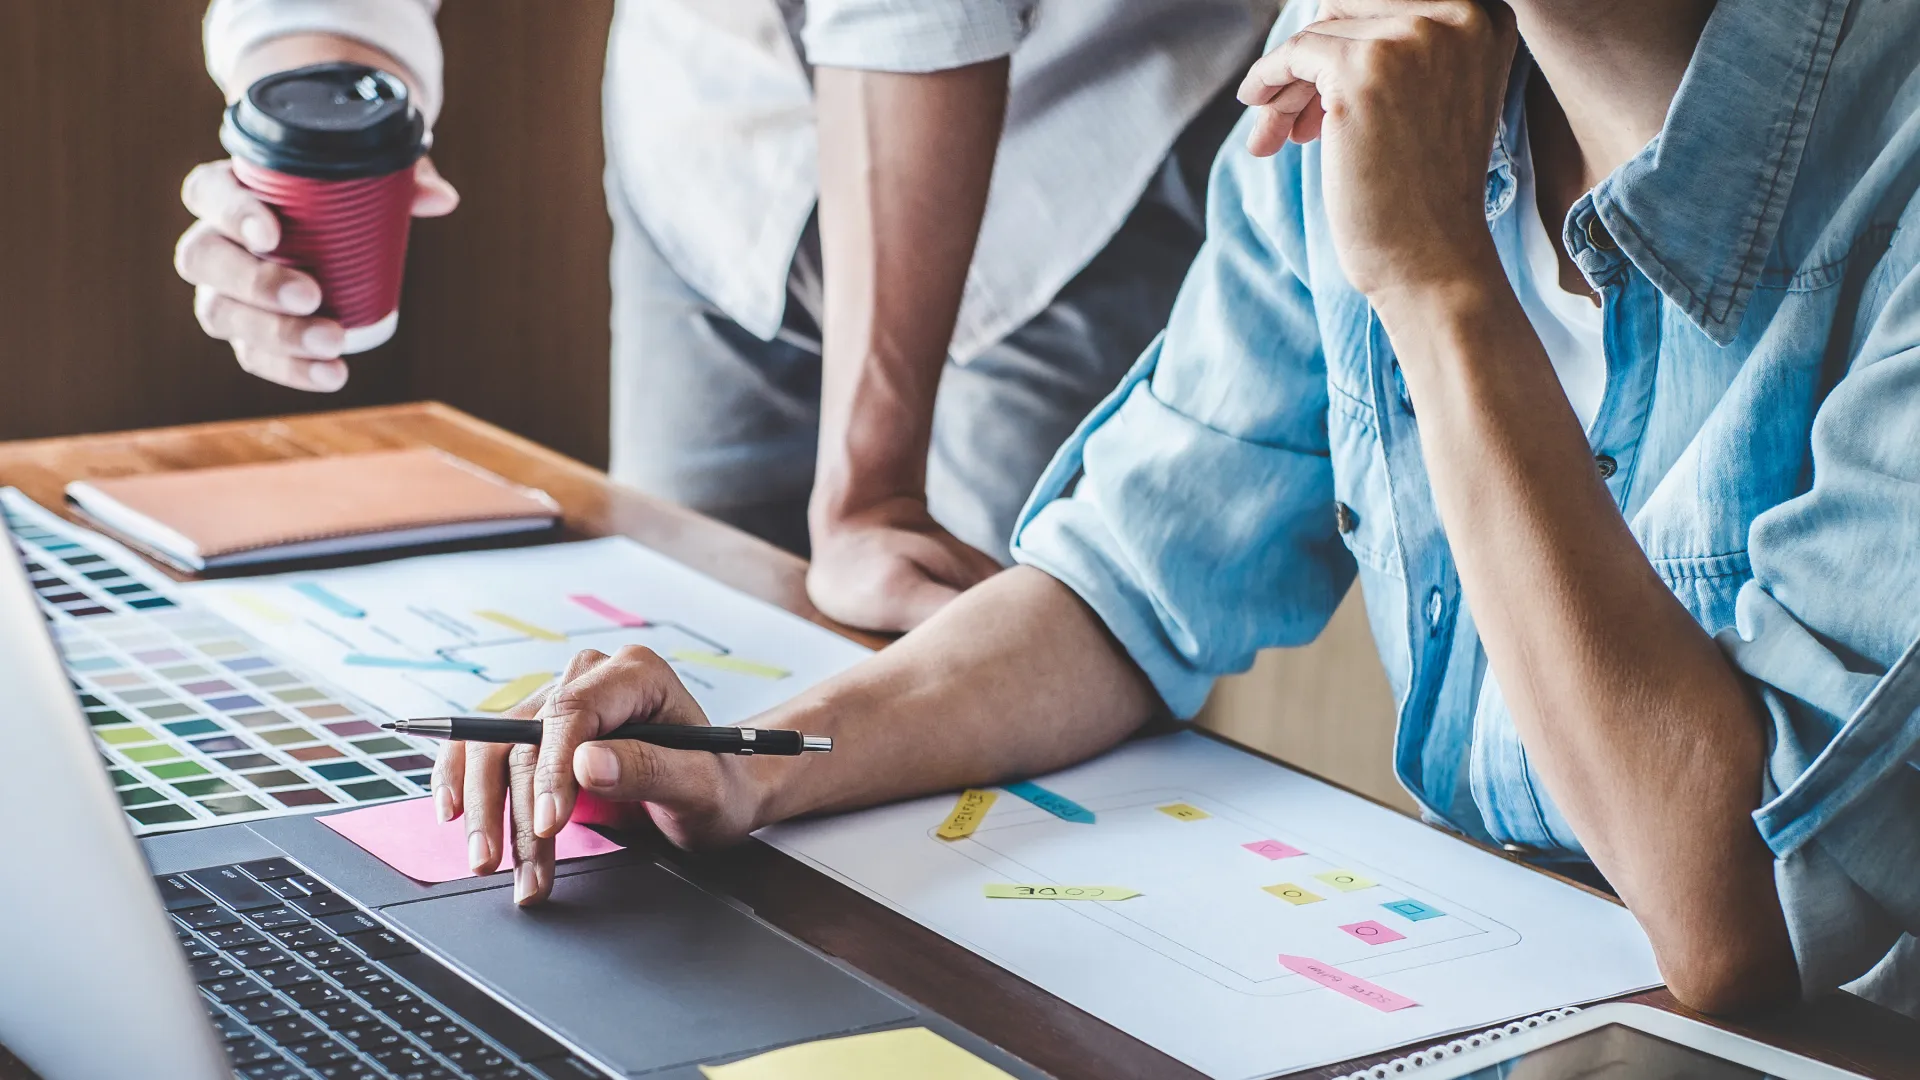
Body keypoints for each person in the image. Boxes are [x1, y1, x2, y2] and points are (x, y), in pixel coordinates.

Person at [459, 0, 1919, 1019]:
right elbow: (1126, 587)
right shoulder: (1379, 61)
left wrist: (1438, 284)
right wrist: (753, 765)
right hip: (1519, 1000)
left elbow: (1743, 919)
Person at [176, 0, 1272, 632]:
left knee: (992, 735)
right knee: (669, 657)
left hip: (1072, 159)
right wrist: (316, 94)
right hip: (711, 137)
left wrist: (871, 493)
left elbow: (912, 17)